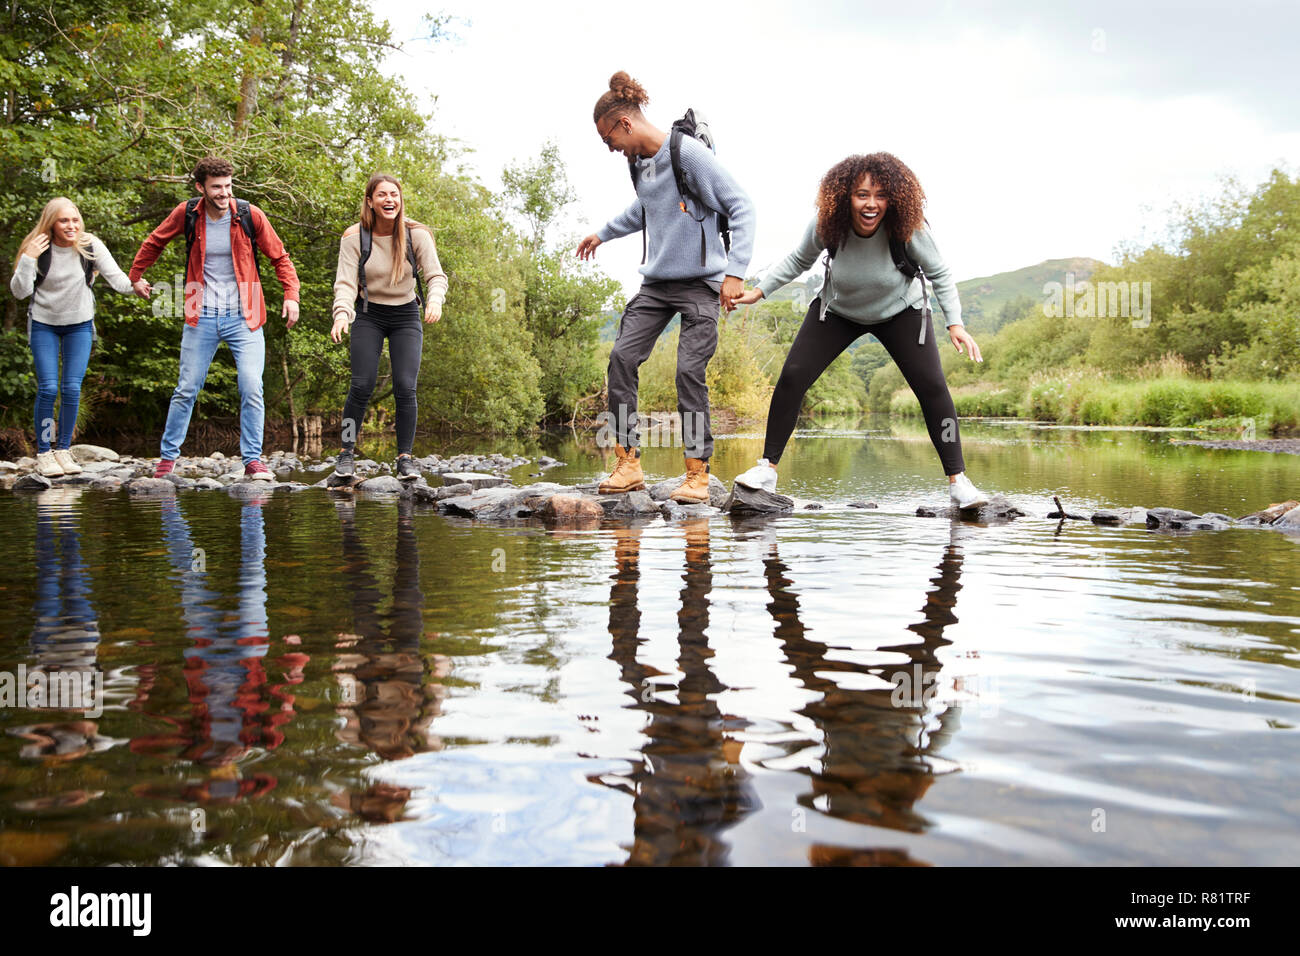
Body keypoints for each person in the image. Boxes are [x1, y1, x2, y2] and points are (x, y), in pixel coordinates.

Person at [733, 152, 990, 509]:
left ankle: (959, 482)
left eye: (881, 195)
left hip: (902, 311)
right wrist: (759, 291)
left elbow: (940, 273)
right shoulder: (828, 222)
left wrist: (955, 323)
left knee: (932, 388)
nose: (871, 205)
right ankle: (766, 469)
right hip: (838, 309)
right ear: (845, 197)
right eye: (862, 195)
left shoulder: (908, 226)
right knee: (792, 376)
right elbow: (798, 259)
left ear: (894, 198)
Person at [577, 71, 755, 503]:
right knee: (621, 358)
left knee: (688, 371)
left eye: (608, 138)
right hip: (656, 284)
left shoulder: (688, 154)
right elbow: (645, 209)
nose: (609, 147)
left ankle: (697, 474)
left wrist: (734, 273)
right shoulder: (638, 165)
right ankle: (628, 463)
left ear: (625, 124)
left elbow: (741, 206)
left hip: (701, 283)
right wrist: (603, 233)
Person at [129, 156, 300, 481]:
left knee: (251, 385)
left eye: (228, 186)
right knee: (186, 388)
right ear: (200, 187)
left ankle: (253, 460)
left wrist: (291, 296)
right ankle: (167, 460)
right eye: (216, 187)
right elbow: (155, 241)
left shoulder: (249, 215)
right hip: (201, 313)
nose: (224, 193)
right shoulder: (187, 213)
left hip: (245, 314)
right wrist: (136, 275)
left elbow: (280, 257)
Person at [10, 198, 143, 477]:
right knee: (48, 388)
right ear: (51, 224)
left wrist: (137, 286)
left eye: (74, 220)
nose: (71, 226)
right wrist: (27, 259)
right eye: (63, 221)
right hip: (44, 324)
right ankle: (44, 453)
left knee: (71, 388)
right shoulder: (37, 248)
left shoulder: (90, 245)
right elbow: (20, 292)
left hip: (79, 325)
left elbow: (118, 280)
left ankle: (64, 450)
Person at [329, 173, 448, 480]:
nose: (389, 200)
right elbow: (344, 283)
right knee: (361, 385)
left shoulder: (416, 235)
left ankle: (405, 459)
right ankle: (345, 453)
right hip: (368, 313)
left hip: (406, 315)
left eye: (394, 194)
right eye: (382, 195)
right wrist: (342, 314)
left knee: (405, 386)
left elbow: (436, 275)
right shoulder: (354, 237)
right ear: (370, 201)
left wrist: (435, 300)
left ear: (400, 200)